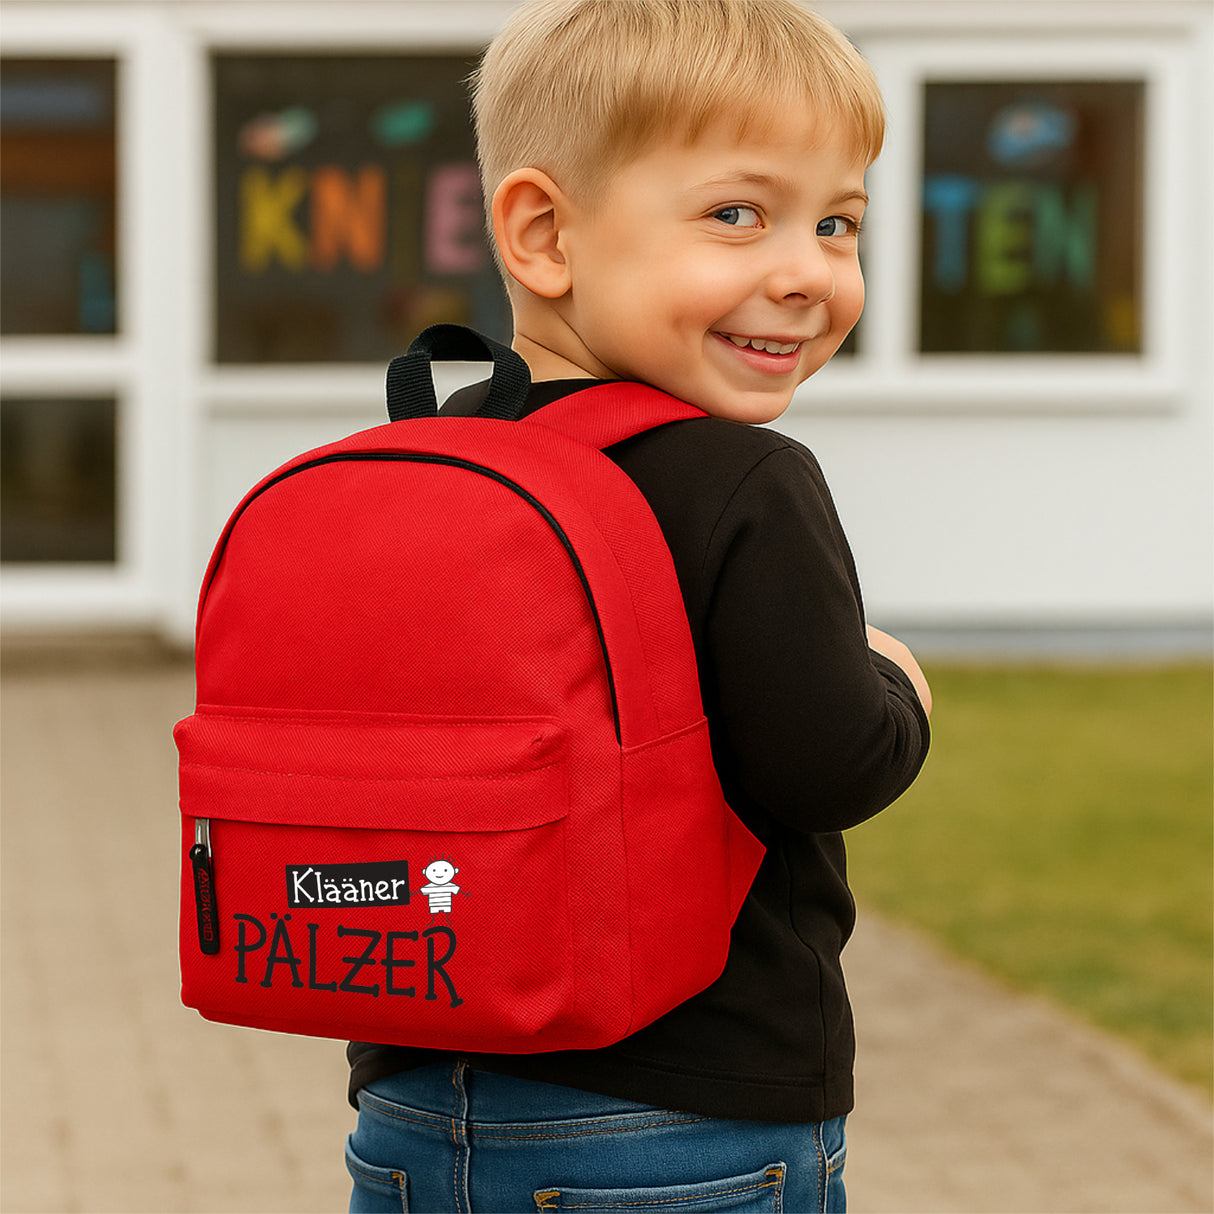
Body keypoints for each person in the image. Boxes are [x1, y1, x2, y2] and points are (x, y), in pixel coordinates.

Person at [345, 2, 931, 1210]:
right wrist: (897, 684)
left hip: (416, 1093)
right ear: (543, 232)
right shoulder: (742, 479)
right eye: (736, 213)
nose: (802, 270)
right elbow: (823, 762)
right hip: (689, 1120)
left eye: (836, 223)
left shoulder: (420, 463)